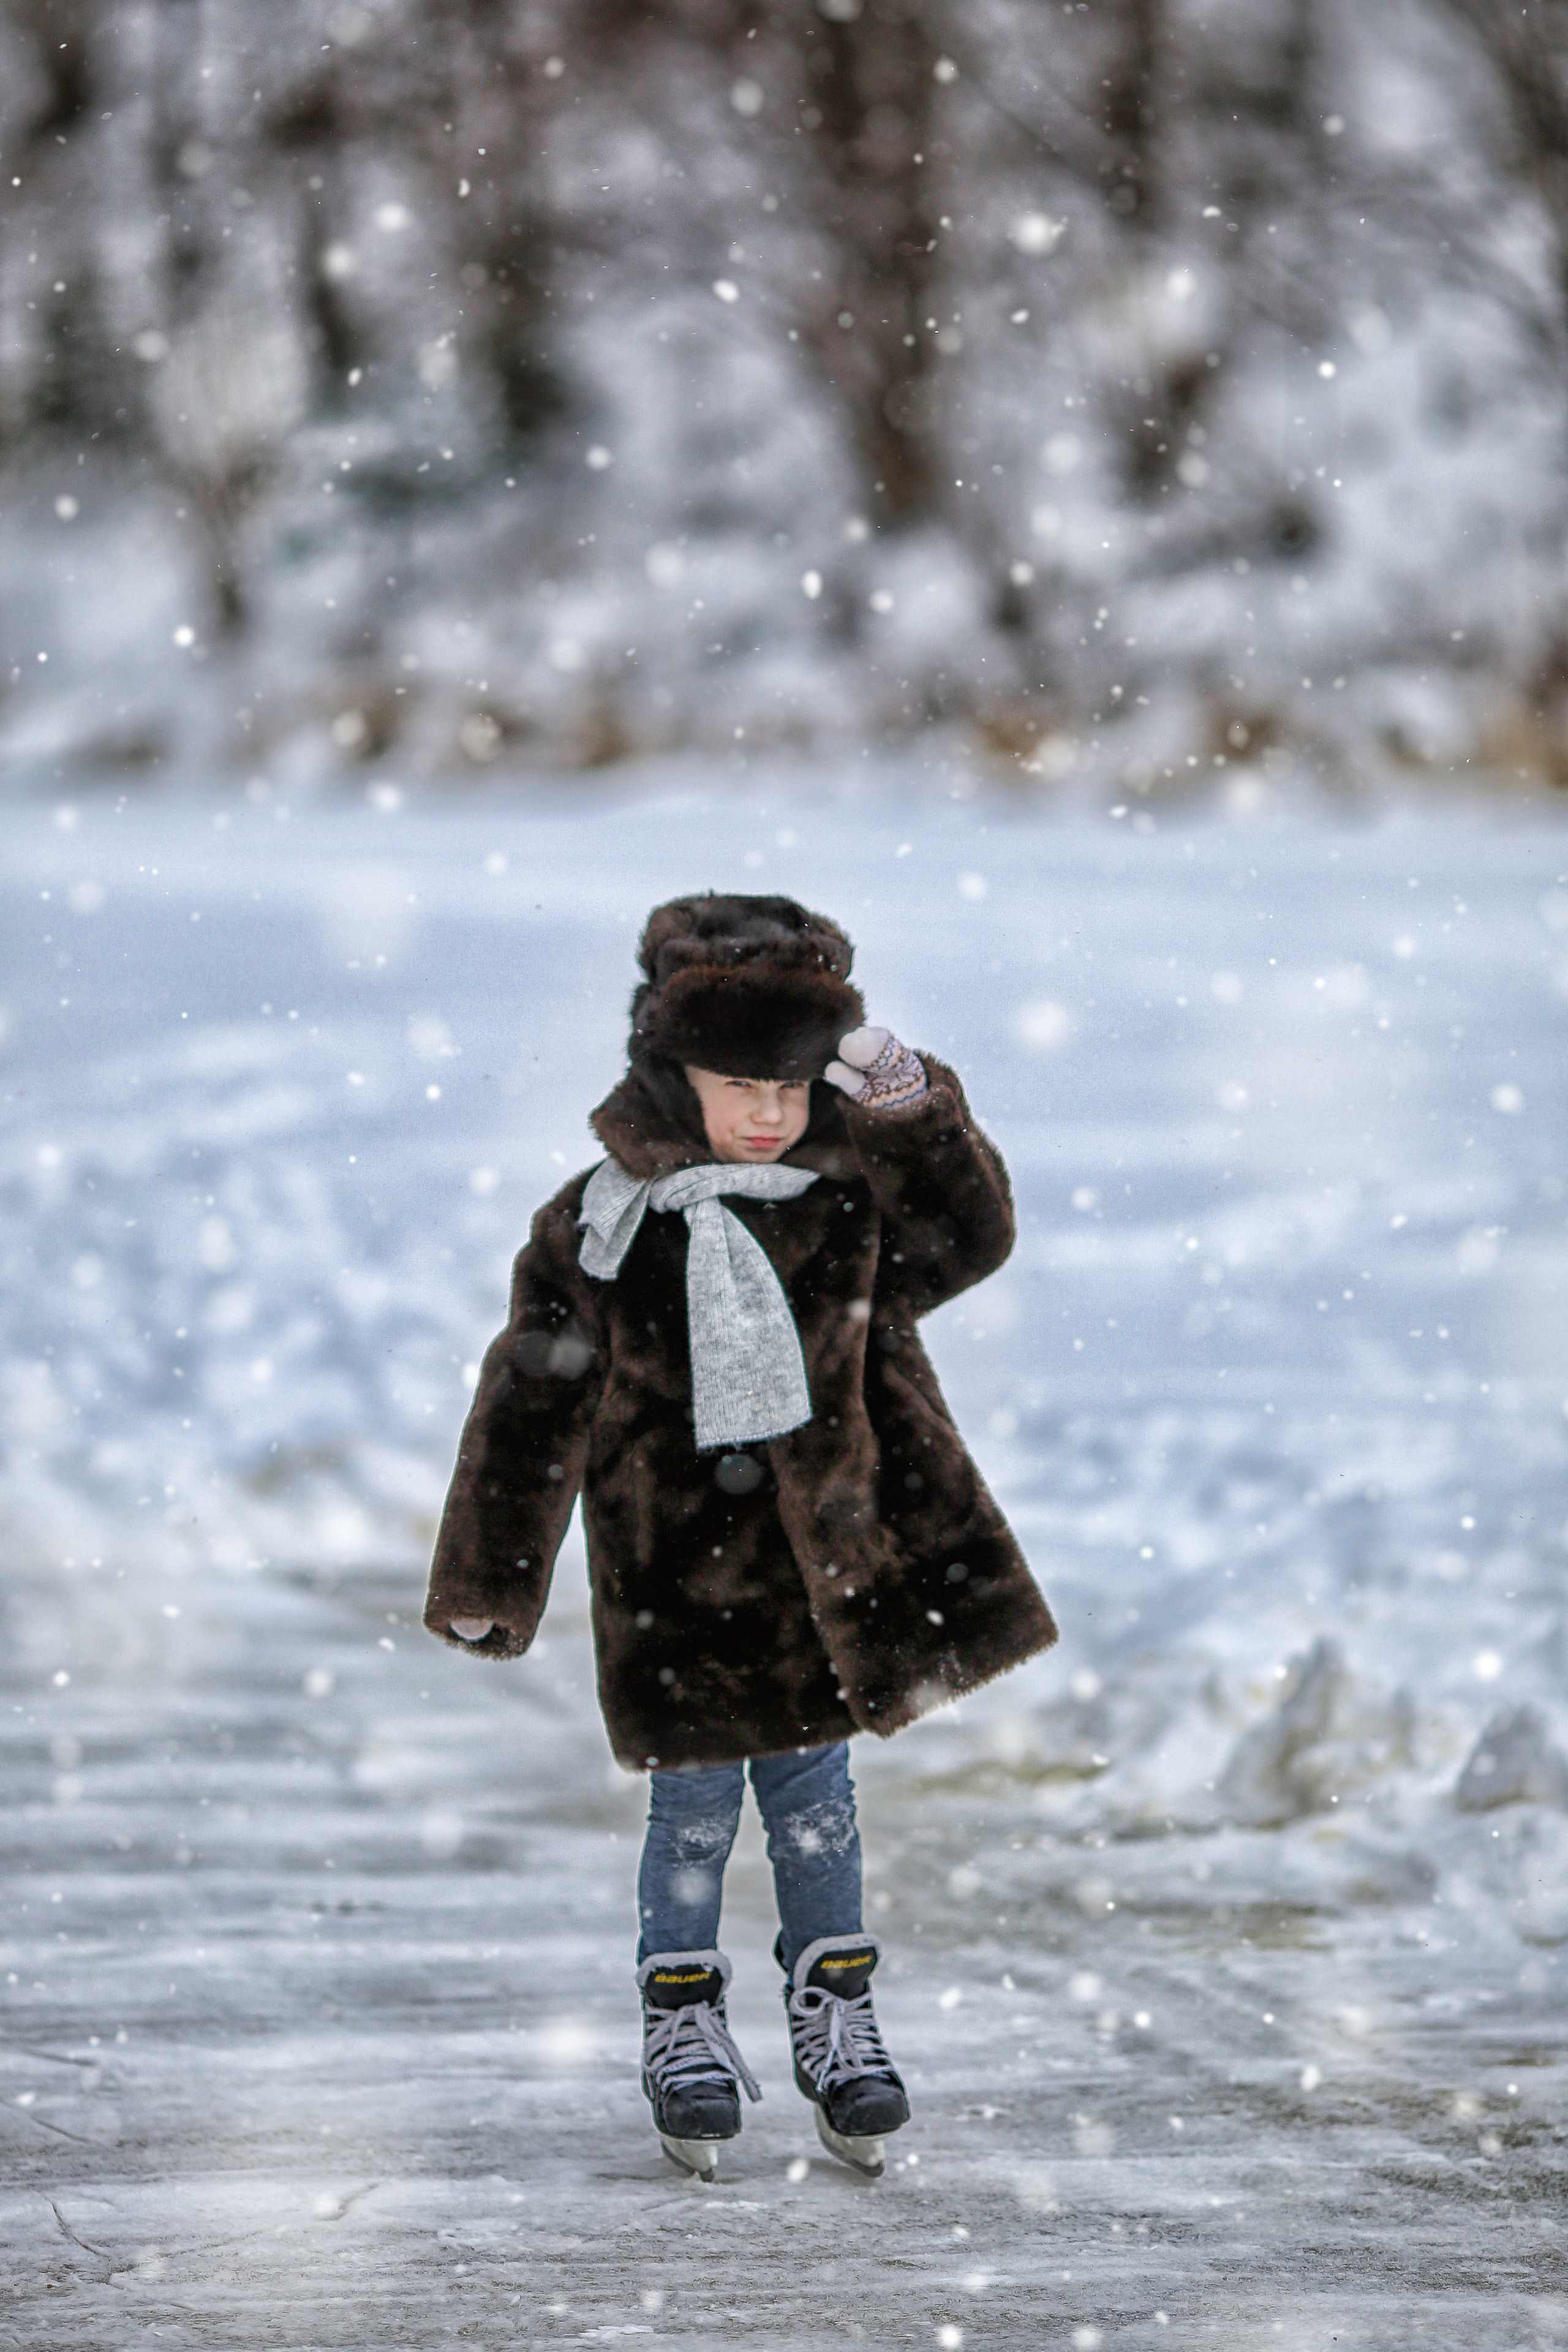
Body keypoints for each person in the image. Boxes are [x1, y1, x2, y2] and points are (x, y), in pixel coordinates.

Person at [424, 894, 1057, 2179]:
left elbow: (970, 1236)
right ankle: (683, 2026)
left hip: (825, 1570)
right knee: (694, 1819)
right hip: (671, 1579)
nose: (766, 1113)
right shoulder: (599, 1228)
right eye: (733, 1083)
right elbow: (529, 1399)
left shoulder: (848, 1199)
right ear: (671, 1075)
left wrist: (906, 1107)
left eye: (789, 1084)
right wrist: (495, 1572)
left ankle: (837, 2020)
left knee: (818, 1808)